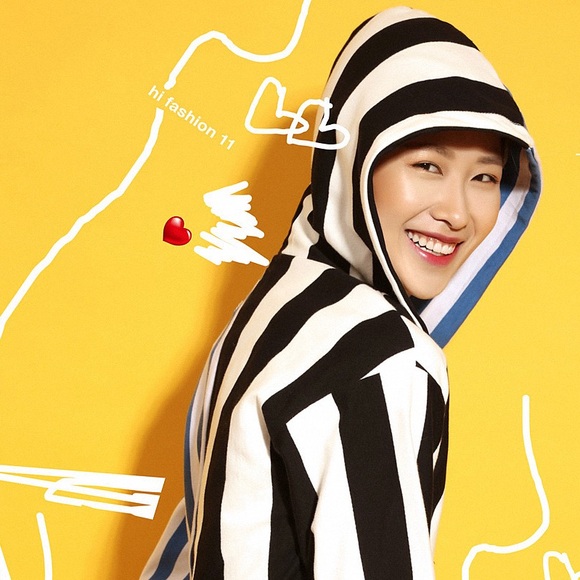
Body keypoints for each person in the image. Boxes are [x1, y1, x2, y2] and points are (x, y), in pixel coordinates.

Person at [141, 6, 541, 579]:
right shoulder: (380, 357)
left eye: (484, 176)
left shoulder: (270, 308)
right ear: (354, 159)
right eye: (427, 165)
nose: (457, 212)